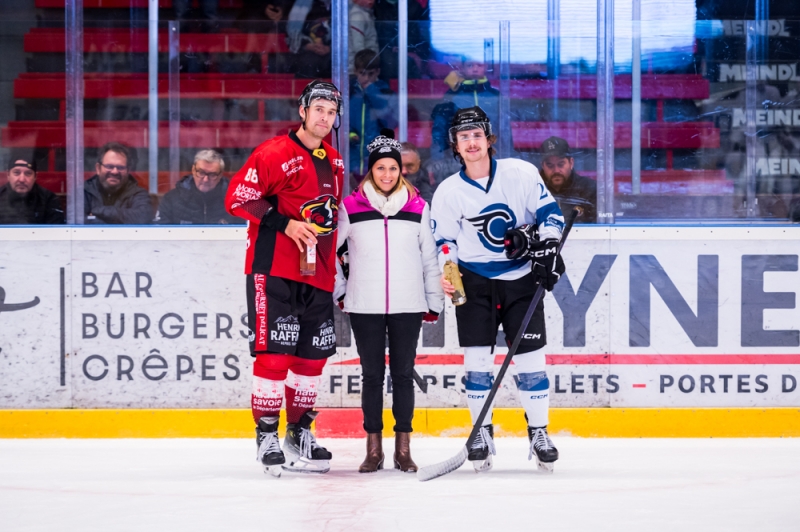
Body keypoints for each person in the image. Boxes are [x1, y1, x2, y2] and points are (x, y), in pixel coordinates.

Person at [430, 106, 565, 473]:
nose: (471, 143)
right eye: (463, 137)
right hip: (473, 283)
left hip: (521, 280)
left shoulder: (520, 173)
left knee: (531, 363)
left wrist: (548, 244)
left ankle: (539, 433)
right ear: (455, 146)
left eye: (477, 135)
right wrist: (450, 275)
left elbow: (550, 215)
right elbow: (444, 241)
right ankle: (482, 432)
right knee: (476, 364)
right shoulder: (448, 191)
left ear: (488, 139)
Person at [225, 80, 345, 476]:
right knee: (275, 357)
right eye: (319, 110)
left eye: (331, 113)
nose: (325, 119)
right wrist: (285, 224)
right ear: (303, 111)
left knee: (311, 361)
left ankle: (299, 431)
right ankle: (266, 436)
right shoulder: (273, 152)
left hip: (319, 274)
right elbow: (238, 199)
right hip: (274, 270)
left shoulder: (336, 160)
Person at [334, 134, 444, 474]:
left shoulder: (417, 207)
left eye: (392, 168)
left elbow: (429, 258)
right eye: (380, 168)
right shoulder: (350, 207)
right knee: (371, 375)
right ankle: (373, 448)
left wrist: (433, 300)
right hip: (364, 305)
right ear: (370, 171)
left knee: (402, 375)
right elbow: (333, 254)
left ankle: (403, 447)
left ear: (401, 171)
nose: (386, 174)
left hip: (407, 304)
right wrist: (341, 291)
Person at [430, 59, 500, 160]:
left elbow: (504, 129)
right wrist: (437, 159)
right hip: (459, 157)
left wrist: (507, 155)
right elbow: (439, 129)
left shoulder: (495, 96)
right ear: (462, 68)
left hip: (493, 154)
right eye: (470, 65)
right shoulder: (451, 96)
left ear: (486, 67)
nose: (475, 69)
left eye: (479, 65)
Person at [155, 149, 241, 225]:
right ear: (193, 170)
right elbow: (159, 236)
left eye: (212, 174)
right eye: (201, 173)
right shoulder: (171, 199)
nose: (205, 180)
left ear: (220, 175)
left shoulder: (236, 202)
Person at [349, 50, 397, 182]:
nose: (366, 78)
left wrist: (371, 91)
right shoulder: (350, 93)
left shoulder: (386, 93)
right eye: (362, 73)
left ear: (378, 72)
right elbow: (341, 122)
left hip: (378, 155)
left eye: (370, 74)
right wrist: (350, 134)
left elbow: (390, 122)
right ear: (355, 71)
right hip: (353, 157)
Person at [84, 143, 152, 225]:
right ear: (98, 168)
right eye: (109, 166)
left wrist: (98, 211)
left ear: (128, 170)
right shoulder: (83, 192)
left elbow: (144, 217)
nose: (115, 171)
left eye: (120, 167)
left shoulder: (138, 194)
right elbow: (75, 221)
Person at [539, 137, 597, 223]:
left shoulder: (589, 189)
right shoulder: (534, 190)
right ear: (543, 166)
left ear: (571, 163)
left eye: (561, 164)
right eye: (550, 165)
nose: (556, 170)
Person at [0, 157, 63, 224]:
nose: (22, 179)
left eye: (28, 173)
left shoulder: (48, 199)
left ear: (35, 176)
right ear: (8, 175)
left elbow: (56, 231)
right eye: (16, 173)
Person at [349, 0, 378, 74]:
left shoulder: (366, 14)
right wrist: (366, 71)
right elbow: (359, 48)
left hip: (366, 68)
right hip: (360, 70)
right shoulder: (357, 16)